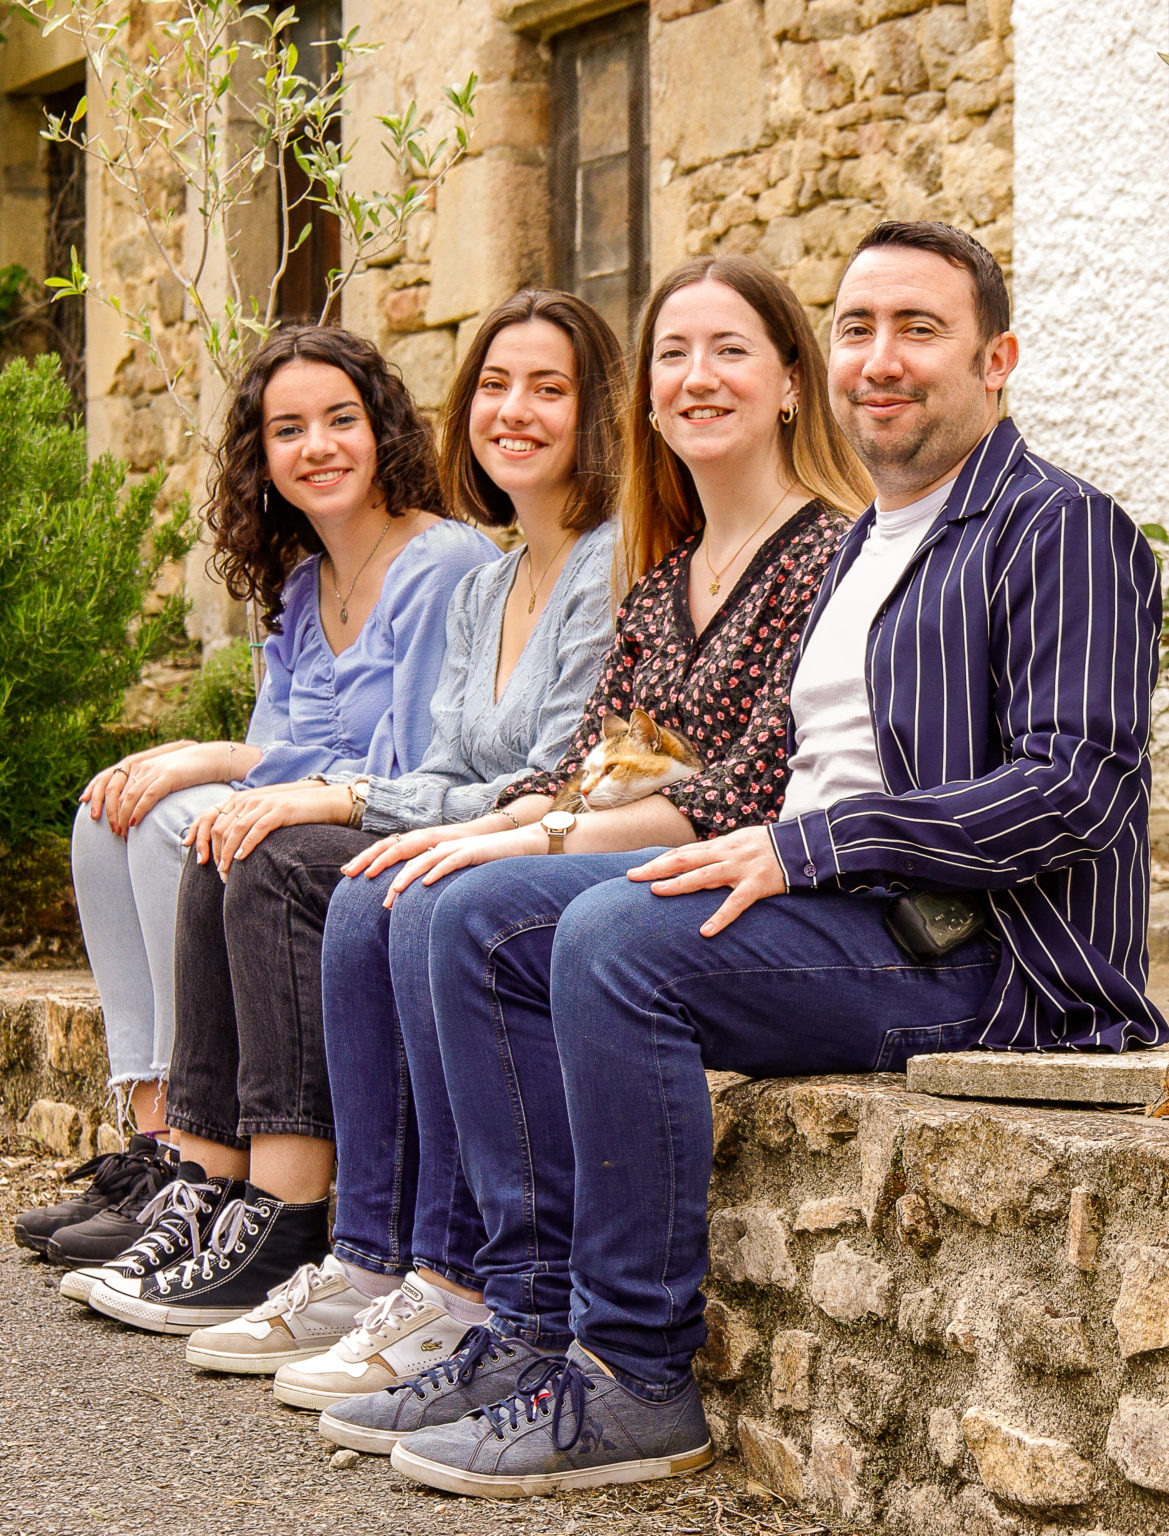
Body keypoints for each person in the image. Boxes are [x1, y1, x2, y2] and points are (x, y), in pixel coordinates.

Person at [374, 222, 1169, 1499]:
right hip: (825, 905)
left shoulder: (1061, 529)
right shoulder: (866, 543)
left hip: (979, 953)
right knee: (475, 919)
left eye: (920, 329)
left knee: (613, 946)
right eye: (857, 328)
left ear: (997, 358)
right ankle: (528, 1325)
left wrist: (813, 843)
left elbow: (1073, 792)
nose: (880, 360)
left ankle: (637, 1375)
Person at [316, 254, 871, 1458]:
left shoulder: (833, 554)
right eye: (674, 354)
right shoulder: (665, 578)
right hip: (651, 846)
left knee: (473, 909)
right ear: (652, 398)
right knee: (424, 885)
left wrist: (542, 836)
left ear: (789, 382)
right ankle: (505, 1313)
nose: (697, 377)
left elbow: (752, 781)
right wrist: (482, 824)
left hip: (758, 878)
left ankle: (546, 1319)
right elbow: (590, 759)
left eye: (730, 351)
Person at [79, 291, 624, 1346]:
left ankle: (290, 1224)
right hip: (446, 825)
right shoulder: (497, 578)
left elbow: (540, 784)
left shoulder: (559, 568)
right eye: (495, 386)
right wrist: (320, 792)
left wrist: (339, 795)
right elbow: (454, 767)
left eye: (547, 388)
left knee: (276, 855)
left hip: (529, 851)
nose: (513, 410)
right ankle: (207, 1178)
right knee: (222, 843)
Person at [34, 325, 493, 1273]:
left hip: (382, 822)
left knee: (195, 823)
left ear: (384, 432)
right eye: (288, 430)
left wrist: (206, 760)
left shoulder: (440, 563)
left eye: (340, 420)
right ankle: (164, 1146)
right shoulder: (300, 583)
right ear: (263, 456)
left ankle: (219, 1154)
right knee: (108, 812)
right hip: (308, 814)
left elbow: (410, 761)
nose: (316, 446)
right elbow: (274, 751)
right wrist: (189, 762)